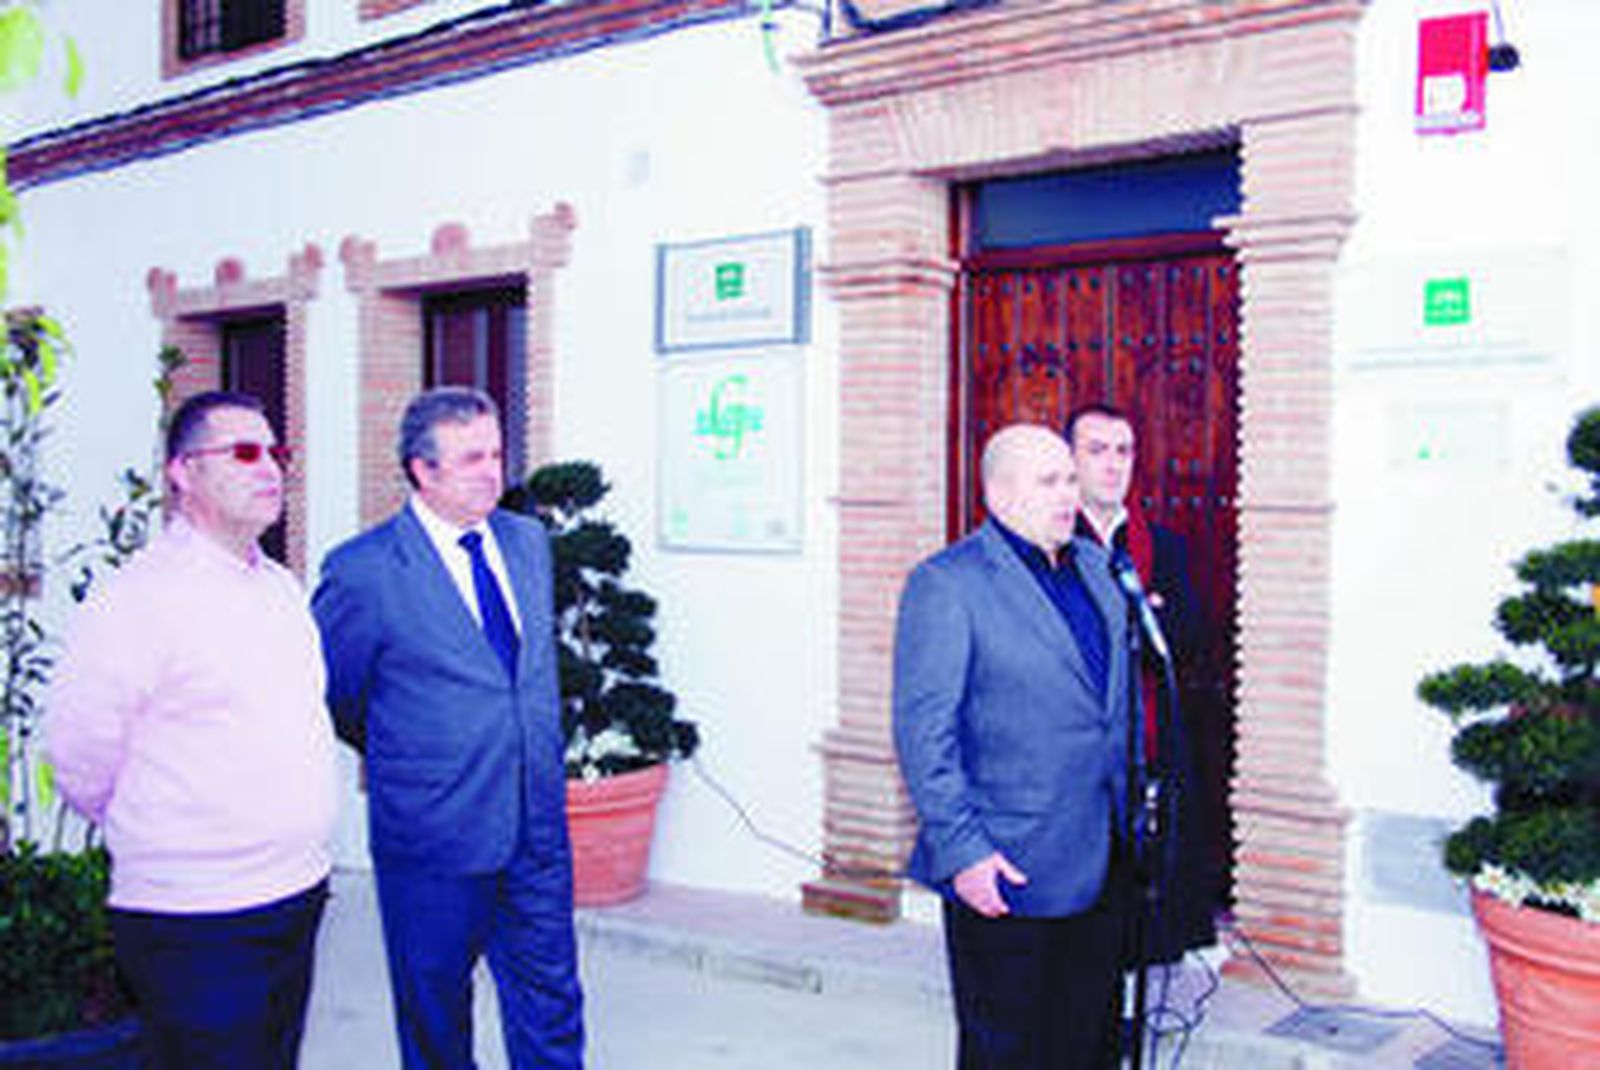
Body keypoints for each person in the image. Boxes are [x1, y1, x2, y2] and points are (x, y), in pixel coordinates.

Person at [45, 390, 336, 1070]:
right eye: (242, 452)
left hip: (294, 895)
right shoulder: (138, 599)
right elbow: (82, 753)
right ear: (182, 473)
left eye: (276, 452)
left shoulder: (281, 590)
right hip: (194, 918)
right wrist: (166, 830)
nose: (269, 467)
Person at [312, 386, 582, 1070]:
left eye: (495, 453)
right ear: (421, 471)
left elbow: (526, 676)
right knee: (436, 1017)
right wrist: (419, 751)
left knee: (551, 1006)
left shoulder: (527, 544)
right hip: (434, 837)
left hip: (535, 828)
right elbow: (339, 694)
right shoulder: (364, 571)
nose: (492, 470)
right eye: (469, 458)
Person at [893, 422, 1133, 1070]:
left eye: (1069, 479)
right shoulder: (947, 584)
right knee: (1008, 1048)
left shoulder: (1096, 567)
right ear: (999, 496)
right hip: (1006, 864)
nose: (1068, 493)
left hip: (1101, 854)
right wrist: (964, 853)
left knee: (1087, 1040)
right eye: (1049, 481)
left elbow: (1108, 707)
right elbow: (924, 733)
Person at [1066, 401, 1221, 960]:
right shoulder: (1051, 544)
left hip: (1147, 736)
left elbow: (1190, 634)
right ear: (1072, 460)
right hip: (1078, 750)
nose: (1113, 465)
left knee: (1145, 893)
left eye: (1124, 451)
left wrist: (1146, 621)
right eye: (1097, 450)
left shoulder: (1162, 544)